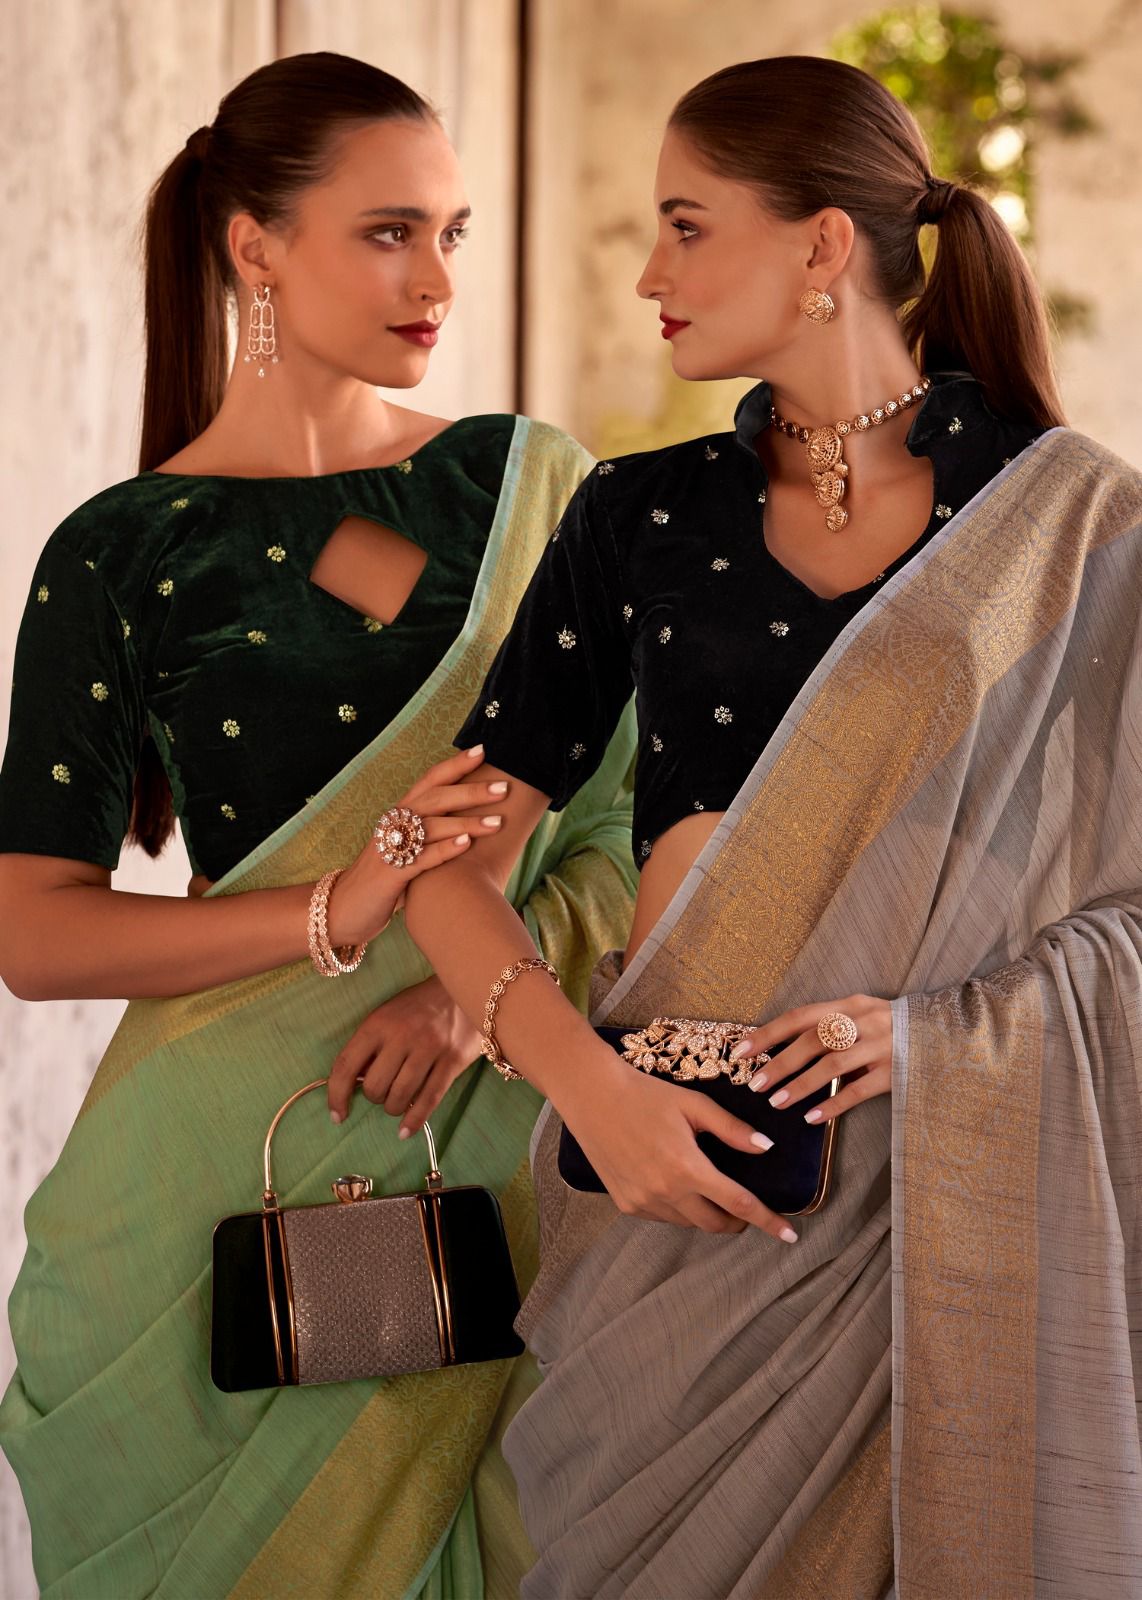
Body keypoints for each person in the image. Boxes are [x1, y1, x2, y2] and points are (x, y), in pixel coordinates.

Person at [350, 55, 1142, 1599]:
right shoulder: (638, 514)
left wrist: (935, 1041)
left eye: (687, 225)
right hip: (662, 1185)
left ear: (822, 243)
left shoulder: (1069, 524)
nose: (650, 274)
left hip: (935, 1205)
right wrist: (586, 1088)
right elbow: (445, 861)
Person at [0, 51, 637, 1600]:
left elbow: (629, 821)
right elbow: (34, 935)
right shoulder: (127, 551)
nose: (436, 279)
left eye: (450, 233)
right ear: (256, 246)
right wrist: (333, 910)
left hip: (493, 1164)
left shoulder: (519, 492)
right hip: (200, 1193)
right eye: (387, 232)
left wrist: (471, 998)